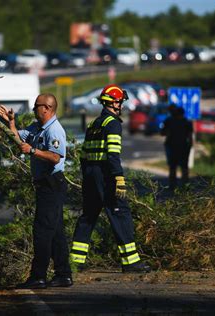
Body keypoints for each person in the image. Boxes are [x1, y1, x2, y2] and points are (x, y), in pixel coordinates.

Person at [70, 84, 151, 273]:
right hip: (106, 176)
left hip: (91, 175)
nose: (121, 105)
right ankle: (131, 262)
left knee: (88, 217)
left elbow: (84, 156)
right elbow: (113, 155)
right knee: (120, 215)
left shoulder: (94, 124)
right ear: (113, 103)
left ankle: (75, 262)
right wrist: (119, 179)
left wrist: (88, 178)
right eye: (120, 101)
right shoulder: (113, 124)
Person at [0, 94, 72, 289]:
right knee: (55, 232)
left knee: (42, 232)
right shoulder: (37, 127)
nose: (34, 110)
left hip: (52, 184)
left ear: (46, 108)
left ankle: (38, 276)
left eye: (36, 107)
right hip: (44, 184)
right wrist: (11, 123)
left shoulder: (54, 130)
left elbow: (55, 157)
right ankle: (63, 274)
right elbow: (19, 140)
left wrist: (33, 151)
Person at [160, 105, 193, 190]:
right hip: (183, 146)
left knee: (173, 167)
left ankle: (173, 185)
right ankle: (185, 185)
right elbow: (190, 137)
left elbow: (162, 133)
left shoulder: (170, 121)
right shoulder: (186, 122)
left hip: (172, 146)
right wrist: (190, 146)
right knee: (183, 167)